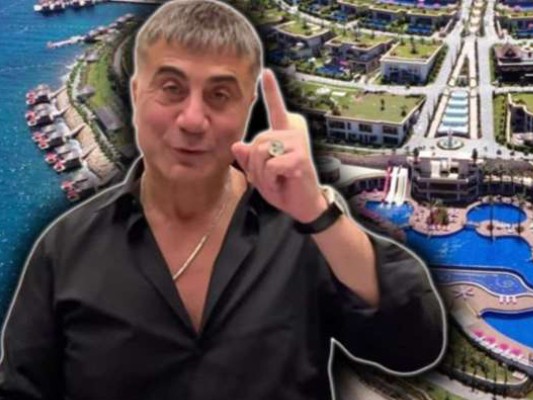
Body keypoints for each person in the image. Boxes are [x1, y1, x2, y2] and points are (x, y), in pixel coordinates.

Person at [0, 1, 446, 399]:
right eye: (171, 88)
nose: (193, 119)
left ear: (247, 108)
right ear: (136, 95)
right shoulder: (64, 251)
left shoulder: (304, 236)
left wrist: (318, 213)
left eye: (220, 94)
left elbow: (414, 345)